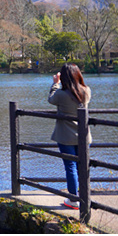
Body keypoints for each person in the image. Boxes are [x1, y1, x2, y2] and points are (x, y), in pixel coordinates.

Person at [48, 63, 92, 210]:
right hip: (83, 136)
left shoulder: (61, 94)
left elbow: (51, 99)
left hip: (66, 136)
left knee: (70, 167)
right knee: (83, 167)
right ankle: (85, 197)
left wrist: (55, 84)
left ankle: (73, 200)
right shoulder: (86, 91)